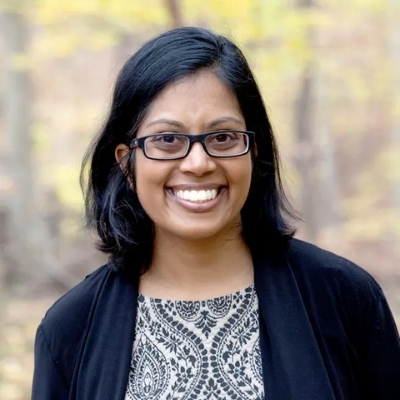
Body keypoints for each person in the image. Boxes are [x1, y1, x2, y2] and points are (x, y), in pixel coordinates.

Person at [31, 27, 400, 400]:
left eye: (222, 137)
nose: (198, 162)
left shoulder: (343, 297)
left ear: (253, 152)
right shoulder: (70, 329)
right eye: (168, 140)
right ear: (128, 164)